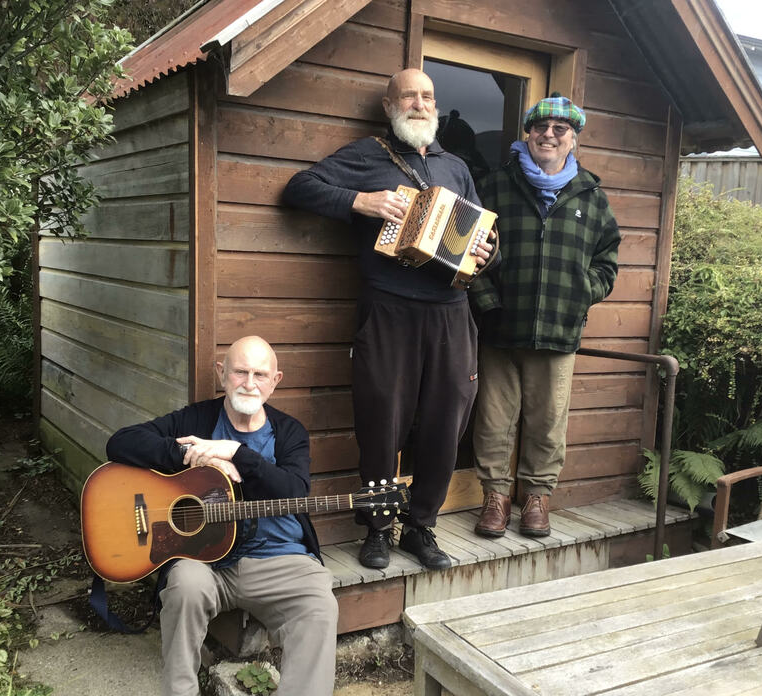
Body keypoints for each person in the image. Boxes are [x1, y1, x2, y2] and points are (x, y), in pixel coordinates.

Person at [283, 68, 494, 571]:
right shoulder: (366, 155)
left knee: (446, 424)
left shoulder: (456, 167)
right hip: (388, 309)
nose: (420, 104)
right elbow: (298, 188)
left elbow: (481, 239)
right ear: (389, 105)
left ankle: (421, 528)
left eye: (428, 96)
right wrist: (361, 201)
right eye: (409, 96)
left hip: (450, 313)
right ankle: (377, 528)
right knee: (382, 423)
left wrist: (487, 252)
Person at [105, 336, 338, 696]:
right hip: (205, 562)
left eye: (260, 374)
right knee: (184, 586)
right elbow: (121, 442)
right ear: (221, 373)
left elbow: (294, 492)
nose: (249, 383)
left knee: (319, 603)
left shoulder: (289, 432)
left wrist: (238, 454)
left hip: (278, 560)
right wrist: (189, 455)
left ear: (275, 380)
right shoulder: (197, 419)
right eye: (240, 372)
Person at [470, 94, 620, 538]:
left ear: (573, 139)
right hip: (500, 328)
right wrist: (486, 301)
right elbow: (466, 251)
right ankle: (495, 498)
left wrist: (581, 294)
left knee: (548, 424)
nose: (548, 135)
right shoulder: (495, 185)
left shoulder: (591, 196)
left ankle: (536, 498)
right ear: (528, 134)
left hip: (559, 330)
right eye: (540, 128)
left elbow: (607, 261)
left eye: (559, 130)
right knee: (493, 421)